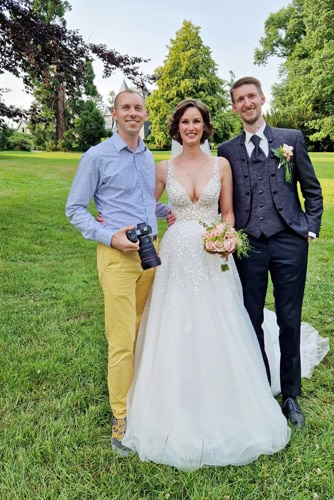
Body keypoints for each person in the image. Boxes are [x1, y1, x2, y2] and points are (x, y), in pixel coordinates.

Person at [121, 98, 327, 470]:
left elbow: (229, 211)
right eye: (184, 121)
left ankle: (237, 391)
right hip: (178, 256)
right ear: (176, 127)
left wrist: (227, 238)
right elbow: (143, 205)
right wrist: (126, 215)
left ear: (205, 126)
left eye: (197, 121)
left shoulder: (222, 164)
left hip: (214, 253)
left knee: (225, 321)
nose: (191, 127)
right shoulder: (164, 167)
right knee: (176, 323)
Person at [65, 89, 172, 456]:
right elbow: (75, 208)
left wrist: (164, 212)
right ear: (114, 113)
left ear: (145, 115)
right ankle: (122, 417)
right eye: (126, 107)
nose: (133, 113)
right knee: (122, 338)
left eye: (138, 108)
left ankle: (142, 397)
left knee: (145, 329)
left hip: (150, 254)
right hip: (117, 258)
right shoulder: (96, 156)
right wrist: (109, 235)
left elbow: (141, 200)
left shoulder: (146, 157)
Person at [218, 76, 324, 428]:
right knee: (250, 318)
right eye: (240, 99)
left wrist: (310, 227)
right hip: (248, 245)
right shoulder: (226, 151)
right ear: (234, 107)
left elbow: (312, 189)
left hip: (289, 241)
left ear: (262, 99)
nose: (247, 103)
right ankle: (260, 387)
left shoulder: (290, 140)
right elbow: (223, 200)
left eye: (252, 96)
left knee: (288, 317)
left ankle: (290, 396)